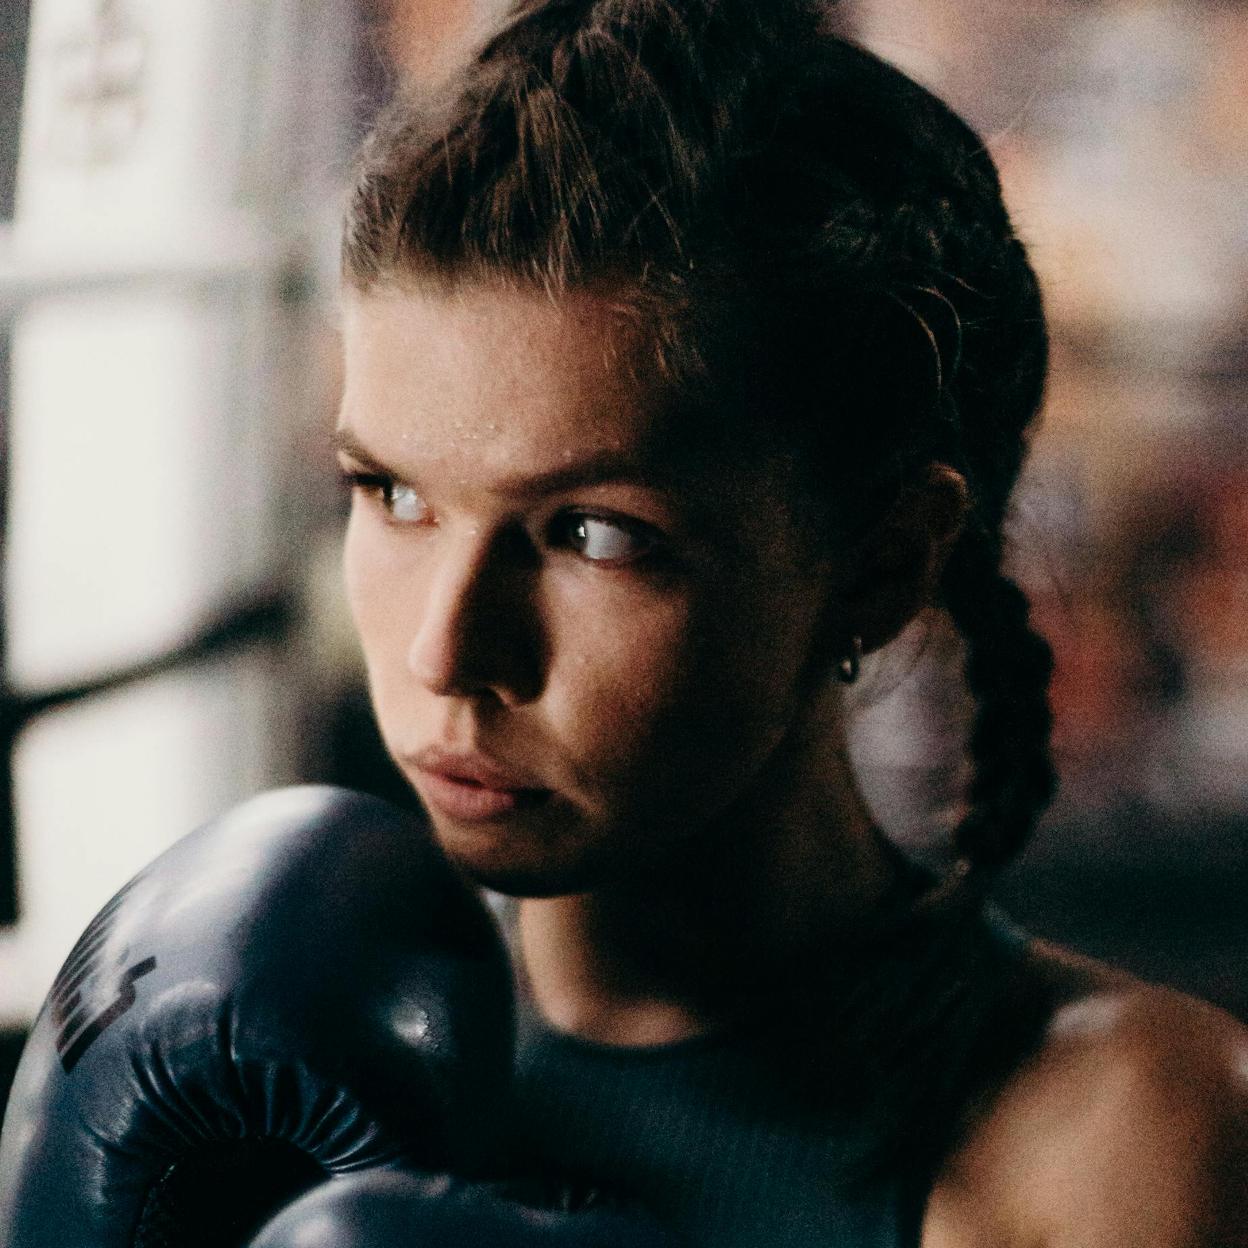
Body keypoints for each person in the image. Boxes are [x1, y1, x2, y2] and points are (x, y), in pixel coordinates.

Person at [330, 0, 1248, 1243]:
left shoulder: (1108, 1141)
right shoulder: (299, 1053)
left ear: (878, 567)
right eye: (390, 494)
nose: (447, 651)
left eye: (594, 533)